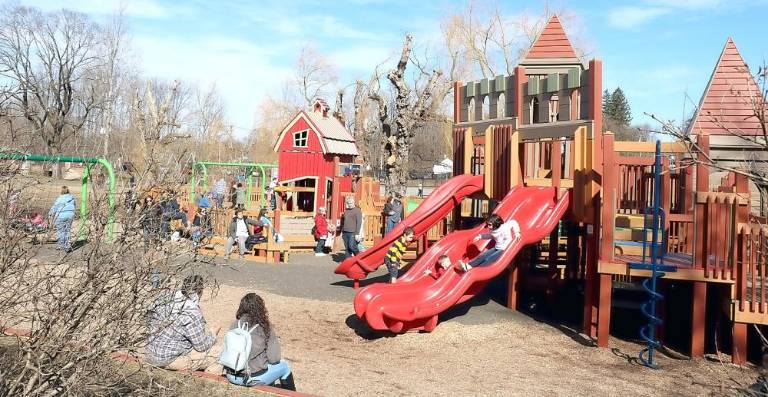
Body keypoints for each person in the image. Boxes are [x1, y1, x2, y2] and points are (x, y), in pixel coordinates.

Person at [146, 275, 220, 371]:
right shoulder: (191, 311)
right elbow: (201, 346)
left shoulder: (166, 299)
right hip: (169, 360)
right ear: (200, 291)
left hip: (150, 354)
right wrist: (213, 334)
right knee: (219, 352)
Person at [222, 293, 296, 390]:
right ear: (261, 308)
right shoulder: (265, 327)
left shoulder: (235, 324)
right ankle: (291, 394)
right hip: (251, 379)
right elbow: (274, 359)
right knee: (285, 367)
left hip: (231, 375)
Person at [48, 186, 76, 251]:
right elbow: (74, 206)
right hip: (70, 215)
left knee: (60, 230)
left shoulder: (59, 199)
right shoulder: (72, 198)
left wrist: (50, 214)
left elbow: (54, 207)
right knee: (67, 230)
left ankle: (61, 245)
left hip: (61, 215)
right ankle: (67, 245)